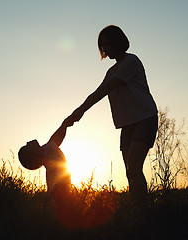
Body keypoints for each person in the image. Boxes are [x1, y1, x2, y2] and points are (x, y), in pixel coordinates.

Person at [65, 25, 158, 218]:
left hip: (144, 118)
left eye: (107, 43)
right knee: (129, 172)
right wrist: (78, 111)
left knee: (134, 167)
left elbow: (105, 89)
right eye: (102, 45)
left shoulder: (131, 61)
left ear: (118, 42)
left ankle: (143, 213)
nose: (105, 48)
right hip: (128, 124)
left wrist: (79, 111)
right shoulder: (111, 70)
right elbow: (100, 89)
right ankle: (137, 212)